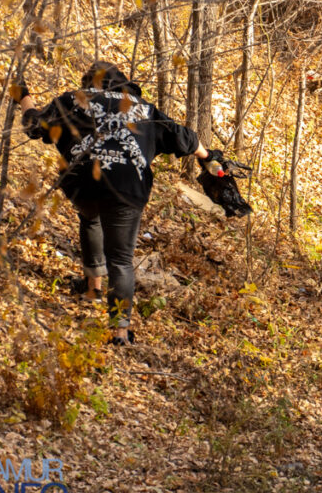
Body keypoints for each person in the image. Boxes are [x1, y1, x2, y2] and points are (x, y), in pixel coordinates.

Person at [13, 61, 216, 346]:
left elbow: (33, 125)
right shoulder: (143, 109)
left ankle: (93, 288)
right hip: (127, 187)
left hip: (83, 182)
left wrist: (22, 95)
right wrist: (207, 158)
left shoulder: (73, 100)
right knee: (121, 259)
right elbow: (184, 139)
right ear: (124, 84)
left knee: (90, 215)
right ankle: (119, 333)